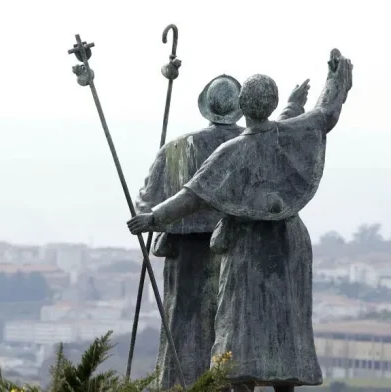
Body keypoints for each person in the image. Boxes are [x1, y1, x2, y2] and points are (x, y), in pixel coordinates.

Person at [128, 50, 353, 392]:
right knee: (284, 326)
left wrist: (152, 218)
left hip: (246, 245)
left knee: (240, 326)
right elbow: (324, 113)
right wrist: (336, 81)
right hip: (288, 241)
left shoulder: (227, 150)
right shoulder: (289, 133)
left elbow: (192, 196)